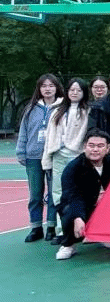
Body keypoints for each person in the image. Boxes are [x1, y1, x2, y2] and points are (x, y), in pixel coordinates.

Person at [54, 129, 110, 260]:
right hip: (82, 206)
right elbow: (71, 196)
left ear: (108, 148)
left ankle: (101, 235)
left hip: (105, 208)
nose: (95, 149)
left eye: (100, 146)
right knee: (68, 210)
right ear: (85, 146)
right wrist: (78, 217)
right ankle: (68, 244)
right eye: (91, 145)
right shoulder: (72, 168)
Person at [42, 77, 90, 245]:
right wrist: (48, 158)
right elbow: (50, 137)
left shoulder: (88, 112)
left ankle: (78, 229)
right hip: (58, 156)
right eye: (71, 90)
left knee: (77, 193)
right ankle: (62, 229)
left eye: (78, 90)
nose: (74, 93)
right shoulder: (57, 111)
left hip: (77, 157)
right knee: (58, 194)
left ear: (84, 92)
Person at [17, 73, 65, 242]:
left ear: (57, 88)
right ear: (39, 89)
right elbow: (24, 131)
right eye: (44, 86)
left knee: (53, 193)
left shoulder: (62, 108)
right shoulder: (31, 109)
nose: (47, 89)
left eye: (51, 85)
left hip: (54, 156)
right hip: (34, 157)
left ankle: (51, 226)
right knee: (35, 195)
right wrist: (21, 151)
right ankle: (35, 227)